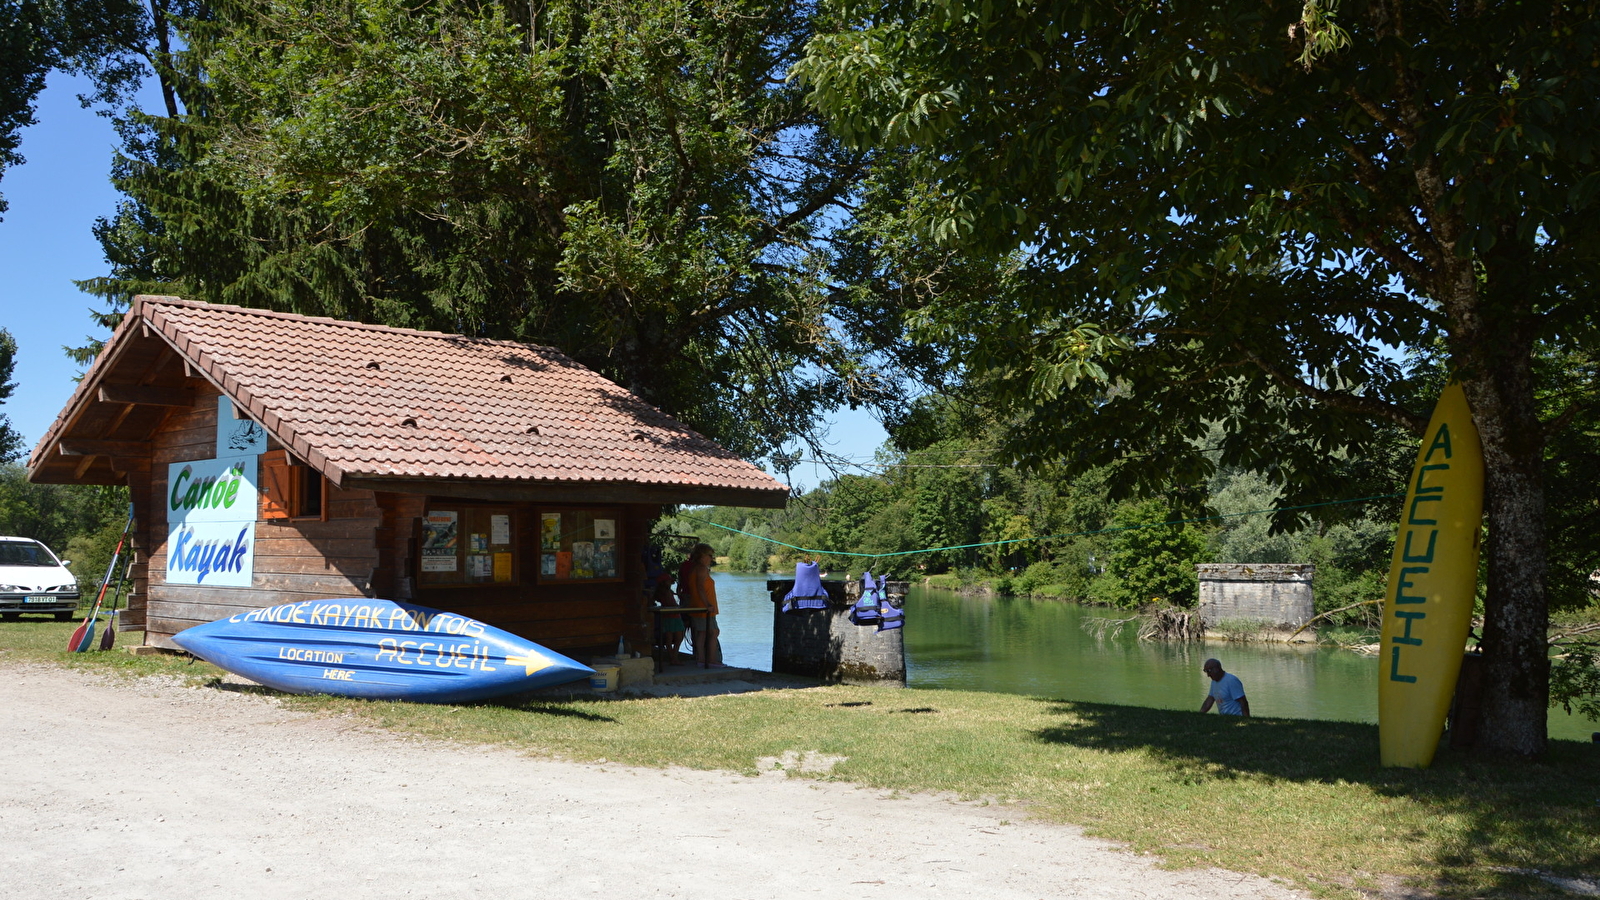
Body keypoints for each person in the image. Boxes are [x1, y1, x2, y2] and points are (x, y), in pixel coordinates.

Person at [682, 543, 723, 667]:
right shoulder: (701, 569)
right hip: (704, 607)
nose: (711, 558)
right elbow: (700, 587)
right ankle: (711, 660)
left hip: (697, 606)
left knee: (702, 633)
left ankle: (701, 659)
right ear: (702, 555)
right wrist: (708, 604)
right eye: (709, 555)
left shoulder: (695, 568)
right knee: (713, 632)